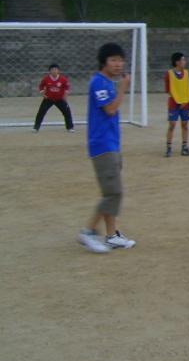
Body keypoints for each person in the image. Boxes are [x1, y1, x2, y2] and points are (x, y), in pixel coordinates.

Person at [77, 43, 136, 253]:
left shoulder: (107, 83)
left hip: (112, 143)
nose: (118, 64)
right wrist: (123, 88)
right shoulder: (99, 83)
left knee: (112, 191)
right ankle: (88, 232)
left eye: (120, 60)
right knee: (113, 193)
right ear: (104, 62)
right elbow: (110, 109)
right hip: (102, 145)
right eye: (113, 60)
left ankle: (112, 235)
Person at [164, 52, 189, 157]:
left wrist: (185, 100)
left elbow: (188, 88)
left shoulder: (187, 73)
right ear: (177, 62)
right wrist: (177, 99)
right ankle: (169, 147)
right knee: (172, 125)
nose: (184, 62)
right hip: (174, 103)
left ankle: (184, 146)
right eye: (182, 60)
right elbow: (168, 89)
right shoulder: (169, 74)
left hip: (185, 103)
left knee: (185, 125)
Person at [33, 63, 75, 132]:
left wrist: (65, 96)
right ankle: (36, 127)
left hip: (59, 99)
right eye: (52, 69)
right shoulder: (46, 79)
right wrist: (42, 93)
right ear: (50, 71)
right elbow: (41, 86)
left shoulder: (62, 79)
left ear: (58, 71)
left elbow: (67, 87)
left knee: (67, 112)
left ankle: (70, 127)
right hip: (48, 99)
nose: (54, 71)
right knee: (41, 112)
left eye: (56, 69)